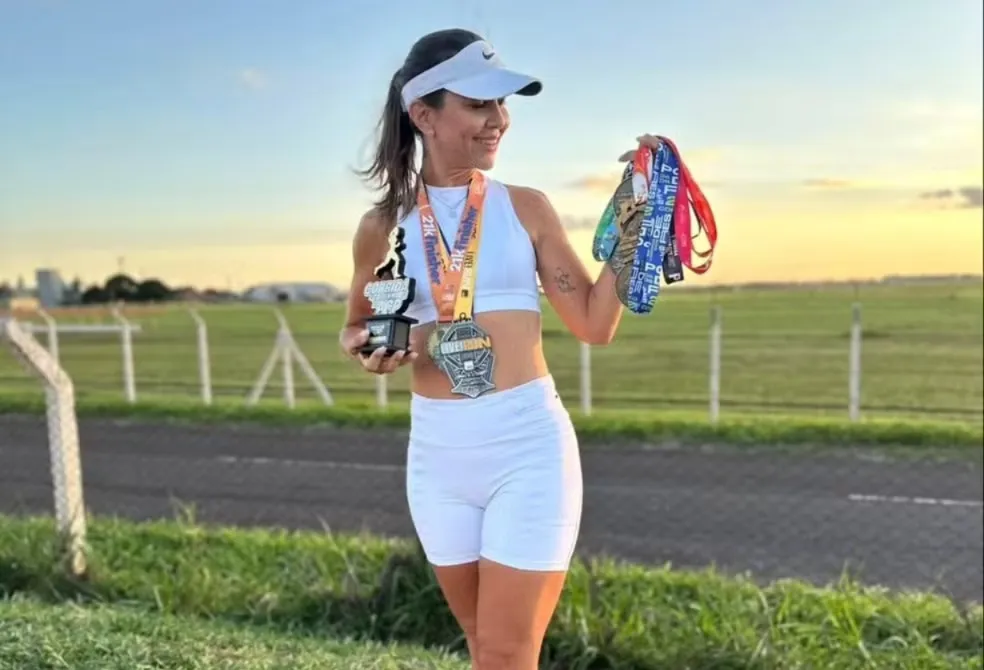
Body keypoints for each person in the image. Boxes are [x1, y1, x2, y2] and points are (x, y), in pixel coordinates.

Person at [339, 28, 657, 670]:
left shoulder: (527, 209)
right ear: (423, 114)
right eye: (480, 104)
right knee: (486, 647)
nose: (500, 119)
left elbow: (595, 324)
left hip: (526, 449)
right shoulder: (382, 229)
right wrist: (372, 348)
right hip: (437, 458)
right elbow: (358, 325)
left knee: (508, 654)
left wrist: (634, 232)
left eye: (502, 105)